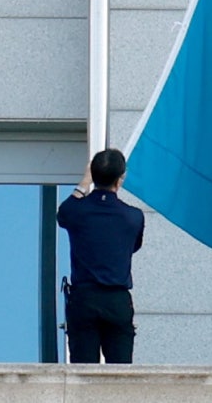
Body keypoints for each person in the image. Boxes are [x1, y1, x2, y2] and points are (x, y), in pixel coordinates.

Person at [57, 148, 145, 364]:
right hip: (117, 300)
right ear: (120, 179)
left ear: (93, 175)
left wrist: (84, 183)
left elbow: (63, 214)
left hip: (84, 298)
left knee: (83, 372)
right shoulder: (133, 217)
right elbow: (132, 247)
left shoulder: (77, 211)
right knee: (120, 373)